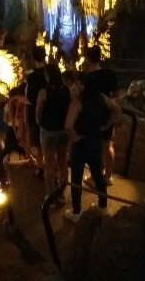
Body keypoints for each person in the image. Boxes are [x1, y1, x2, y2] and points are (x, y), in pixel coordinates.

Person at [63, 71, 122, 223]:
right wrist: (106, 126)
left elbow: (68, 126)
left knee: (76, 178)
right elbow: (117, 111)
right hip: (95, 140)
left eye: (77, 83)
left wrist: (75, 137)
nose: (75, 86)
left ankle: (76, 211)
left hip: (81, 143)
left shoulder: (77, 102)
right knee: (97, 174)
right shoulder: (102, 98)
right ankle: (103, 207)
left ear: (83, 85)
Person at [82, 44, 120, 185]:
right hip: (108, 114)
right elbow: (116, 93)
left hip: (93, 116)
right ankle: (108, 176)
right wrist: (110, 103)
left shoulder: (87, 76)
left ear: (88, 59)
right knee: (107, 145)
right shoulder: (109, 73)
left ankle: (95, 177)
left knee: (95, 148)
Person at [36, 63, 71, 206]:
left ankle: (51, 197)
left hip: (48, 131)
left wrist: (40, 123)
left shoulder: (43, 92)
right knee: (62, 161)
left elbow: (38, 113)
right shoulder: (68, 91)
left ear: (47, 75)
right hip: (62, 130)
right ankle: (61, 193)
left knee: (49, 164)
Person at [25, 45, 48, 177]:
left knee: (38, 143)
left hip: (35, 112)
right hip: (49, 111)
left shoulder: (31, 76)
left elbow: (29, 97)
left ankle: (40, 167)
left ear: (33, 58)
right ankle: (50, 167)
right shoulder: (50, 73)